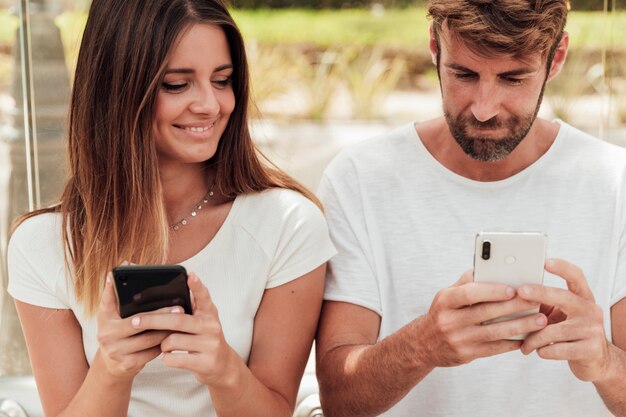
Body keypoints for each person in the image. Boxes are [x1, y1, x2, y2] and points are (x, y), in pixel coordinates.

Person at [7, 1, 335, 416]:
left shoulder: (287, 225)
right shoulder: (44, 245)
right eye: (177, 85)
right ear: (116, 91)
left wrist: (223, 368)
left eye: (222, 80)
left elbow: (275, 408)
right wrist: (112, 370)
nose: (210, 105)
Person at [315, 1, 626, 416]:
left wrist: (604, 362)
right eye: (463, 74)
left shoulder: (615, 183)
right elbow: (339, 401)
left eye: (513, 78)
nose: (484, 108)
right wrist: (424, 344)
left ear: (557, 58)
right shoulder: (360, 178)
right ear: (434, 47)